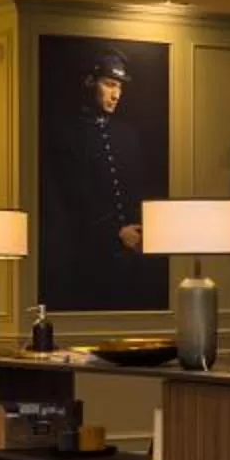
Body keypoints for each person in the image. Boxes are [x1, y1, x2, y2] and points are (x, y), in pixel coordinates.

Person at [40, 50, 165, 310]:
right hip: (87, 258)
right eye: (109, 84)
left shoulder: (127, 135)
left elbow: (139, 188)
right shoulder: (66, 134)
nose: (116, 94)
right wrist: (115, 232)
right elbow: (71, 198)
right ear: (89, 82)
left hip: (135, 257)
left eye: (119, 86)